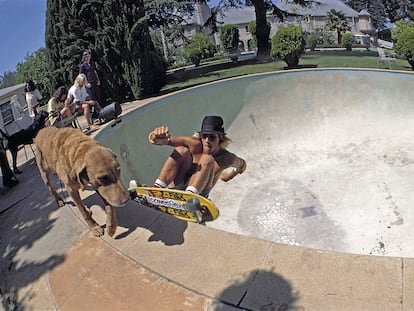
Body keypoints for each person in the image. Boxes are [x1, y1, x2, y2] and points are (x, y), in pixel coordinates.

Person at [148, 116, 246, 197]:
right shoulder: (194, 144)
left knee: (207, 159)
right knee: (181, 150)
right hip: (178, 184)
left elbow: (242, 165)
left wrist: (230, 176)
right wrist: (155, 136)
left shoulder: (226, 158)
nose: (207, 140)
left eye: (212, 137)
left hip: (200, 194)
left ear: (220, 139)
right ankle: (156, 190)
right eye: (204, 136)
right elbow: (163, 141)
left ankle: (190, 197)